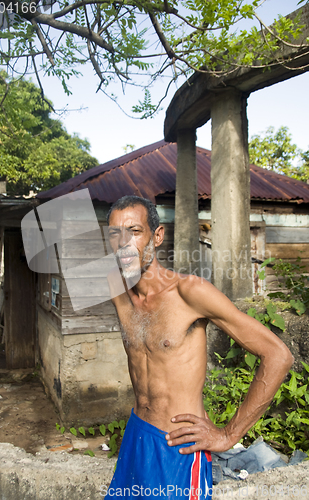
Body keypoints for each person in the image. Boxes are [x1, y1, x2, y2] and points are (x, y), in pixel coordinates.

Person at [103, 195, 293, 500]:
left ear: (157, 236)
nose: (124, 243)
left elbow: (278, 355)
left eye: (135, 232)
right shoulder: (116, 287)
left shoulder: (189, 292)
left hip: (179, 447)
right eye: (115, 234)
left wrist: (228, 435)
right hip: (136, 435)